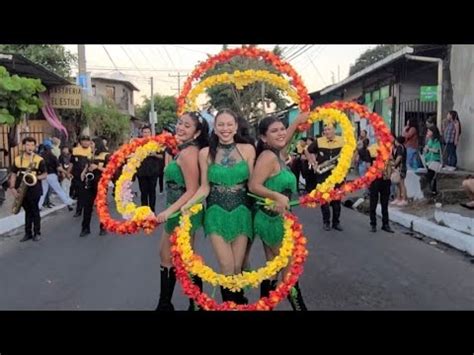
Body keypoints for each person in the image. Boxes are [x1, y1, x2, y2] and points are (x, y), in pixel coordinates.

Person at [182, 109, 256, 304]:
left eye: (229, 124)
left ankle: (236, 304)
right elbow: (204, 188)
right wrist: (188, 205)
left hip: (242, 213)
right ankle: (229, 306)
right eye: (220, 124)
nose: (225, 128)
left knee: (237, 267)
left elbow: (254, 185)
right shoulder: (205, 153)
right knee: (226, 265)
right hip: (215, 214)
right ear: (215, 128)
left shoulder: (248, 150)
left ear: (236, 127)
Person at [249, 113, 309, 311]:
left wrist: (295, 122)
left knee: (273, 267)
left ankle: (264, 307)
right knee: (289, 270)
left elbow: (286, 138)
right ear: (264, 138)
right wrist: (277, 196)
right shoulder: (267, 157)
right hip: (271, 219)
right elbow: (253, 185)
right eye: (274, 131)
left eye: (282, 128)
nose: (281, 133)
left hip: (277, 217)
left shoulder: (278, 154)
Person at [154, 112, 209, 311]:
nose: (181, 127)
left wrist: (169, 211)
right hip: (177, 209)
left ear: (196, 133)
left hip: (183, 212)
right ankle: (166, 303)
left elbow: (193, 190)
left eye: (187, 126)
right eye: (180, 123)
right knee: (167, 255)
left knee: (184, 257)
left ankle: (195, 304)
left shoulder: (189, 153)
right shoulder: (183, 150)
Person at [305, 123, 345, 232]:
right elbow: (307, 150)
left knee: (337, 200)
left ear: (335, 130)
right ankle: (326, 222)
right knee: (324, 199)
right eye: (325, 129)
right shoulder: (319, 141)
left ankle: (336, 222)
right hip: (322, 174)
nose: (327, 131)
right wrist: (313, 162)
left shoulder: (342, 141)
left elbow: (351, 152)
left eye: (329, 129)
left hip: (338, 175)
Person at [8, 137, 47, 242]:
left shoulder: (39, 159)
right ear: (24, 146)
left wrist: (35, 178)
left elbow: (45, 174)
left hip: (34, 189)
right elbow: (13, 174)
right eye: (28, 145)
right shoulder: (17, 159)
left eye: (32, 145)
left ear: (35, 146)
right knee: (27, 211)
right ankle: (28, 233)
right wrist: (12, 188)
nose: (30, 147)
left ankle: (37, 232)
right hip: (21, 188)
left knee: (34, 210)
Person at [79, 137, 109, 237]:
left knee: (101, 206)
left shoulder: (106, 155)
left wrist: (97, 167)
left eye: (92, 144)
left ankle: (103, 227)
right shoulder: (89, 155)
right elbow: (87, 166)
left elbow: (110, 170)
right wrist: (83, 172)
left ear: (97, 144)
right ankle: (85, 228)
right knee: (87, 205)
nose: (90, 146)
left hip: (101, 182)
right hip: (90, 181)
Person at [38, 144, 75, 211]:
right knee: (59, 190)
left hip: (43, 176)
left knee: (43, 191)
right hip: (52, 175)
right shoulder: (53, 156)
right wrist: (66, 172)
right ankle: (68, 202)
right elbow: (58, 167)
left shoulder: (39, 157)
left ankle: (39, 206)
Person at [368, 141, 395, 233]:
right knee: (373, 202)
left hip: (386, 179)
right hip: (375, 179)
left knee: (385, 203)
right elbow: (368, 164)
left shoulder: (389, 149)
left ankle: (385, 224)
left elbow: (392, 162)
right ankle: (373, 223)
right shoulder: (372, 148)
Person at [136, 125, 163, 212]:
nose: (146, 134)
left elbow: (162, 156)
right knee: (143, 193)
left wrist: (155, 154)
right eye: (144, 132)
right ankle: (144, 212)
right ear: (141, 133)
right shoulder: (138, 143)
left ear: (151, 133)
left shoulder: (156, 143)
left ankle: (152, 211)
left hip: (153, 171)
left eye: (148, 132)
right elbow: (133, 156)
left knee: (152, 192)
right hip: (141, 172)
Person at [71, 135, 93, 217]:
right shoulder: (75, 150)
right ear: (80, 142)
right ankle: (79, 210)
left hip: (88, 175)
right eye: (84, 140)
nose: (86, 142)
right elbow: (71, 162)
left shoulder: (92, 151)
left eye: (87, 141)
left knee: (89, 193)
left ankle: (89, 208)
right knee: (79, 193)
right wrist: (68, 172)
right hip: (77, 176)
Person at [423, 126, 442, 196]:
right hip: (429, 160)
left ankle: (433, 191)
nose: (427, 132)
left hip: (435, 160)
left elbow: (436, 150)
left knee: (430, 176)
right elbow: (426, 149)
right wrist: (426, 149)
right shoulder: (430, 140)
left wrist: (429, 149)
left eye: (429, 131)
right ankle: (431, 191)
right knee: (429, 176)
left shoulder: (436, 141)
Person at [390, 136, 408, 206]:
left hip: (401, 168)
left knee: (401, 183)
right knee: (397, 184)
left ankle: (404, 199)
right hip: (399, 167)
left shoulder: (400, 147)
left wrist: (394, 164)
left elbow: (399, 157)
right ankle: (398, 198)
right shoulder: (400, 147)